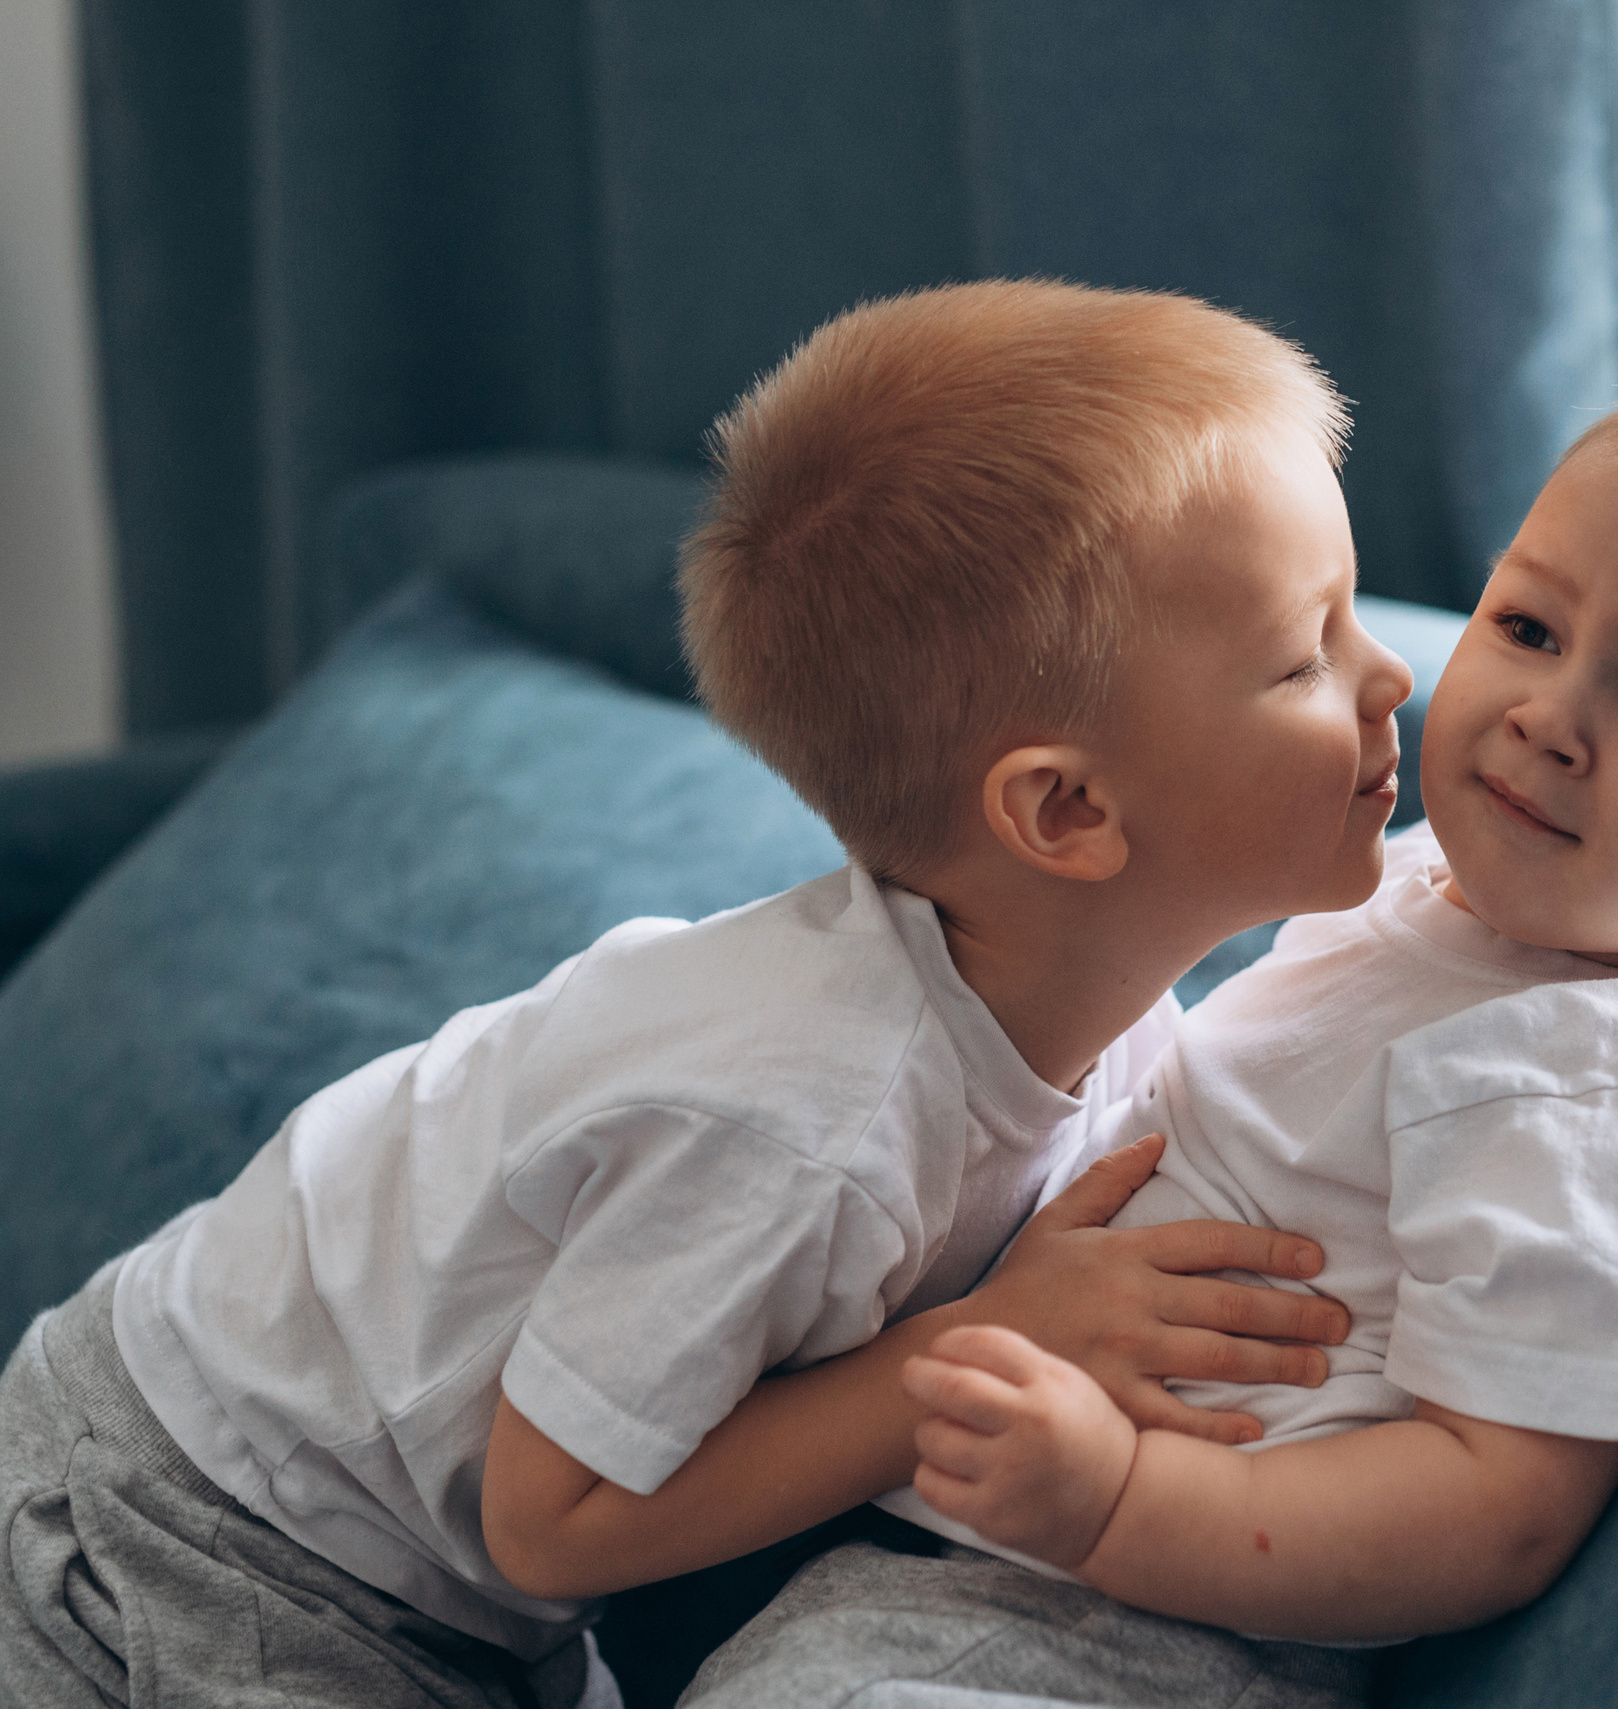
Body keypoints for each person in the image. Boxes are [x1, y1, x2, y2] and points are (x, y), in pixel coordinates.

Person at [0, 279, 1418, 1709]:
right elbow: (547, 1517)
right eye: (1309, 652)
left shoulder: (1113, 1027)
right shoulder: (803, 1116)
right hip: (186, 1531)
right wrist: (984, 1346)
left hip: (394, 1571)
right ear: (1062, 812)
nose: (1395, 676)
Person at [681, 369, 1618, 1708]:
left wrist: (1120, 1495)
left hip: (1124, 1624)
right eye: (1531, 624)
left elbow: (1499, 1505)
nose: (1548, 718)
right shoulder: (1459, 881)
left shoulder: (1601, 1077)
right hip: (962, 1545)